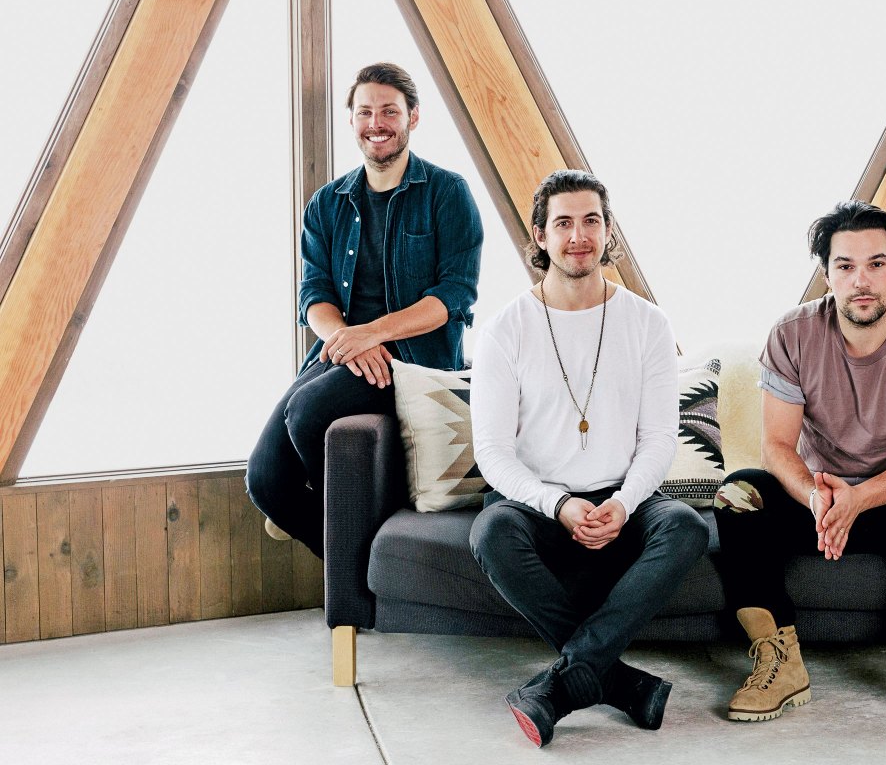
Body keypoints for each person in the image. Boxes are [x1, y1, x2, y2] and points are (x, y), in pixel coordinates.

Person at [714, 201, 886, 750]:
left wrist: (860, 498)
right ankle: (780, 663)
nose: (861, 280)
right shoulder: (792, 333)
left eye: (876, 264)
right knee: (739, 493)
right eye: (845, 266)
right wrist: (816, 498)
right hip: (824, 503)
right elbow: (776, 445)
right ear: (827, 274)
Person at [468, 169, 708, 748]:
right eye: (564, 223)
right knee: (491, 532)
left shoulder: (648, 323)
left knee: (685, 526)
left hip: (624, 499)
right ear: (541, 235)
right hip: (537, 504)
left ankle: (559, 688)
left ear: (607, 231)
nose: (579, 236)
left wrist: (623, 503)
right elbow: (493, 452)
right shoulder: (505, 329)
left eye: (591, 221)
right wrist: (558, 504)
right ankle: (620, 683)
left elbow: (659, 439)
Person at [247, 62, 482, 559]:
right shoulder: (327, 203)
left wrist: (371, 333)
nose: (377, 123)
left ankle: (369, 558)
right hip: (344, 351)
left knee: (308, 413)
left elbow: (454, 294)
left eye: (389, 111)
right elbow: (314, 295)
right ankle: (364, 565)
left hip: (416, 360)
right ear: (352, 120)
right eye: (365, 112)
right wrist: (347, 340)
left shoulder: (447, 193)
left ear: (413, 117)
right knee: (265, 480)